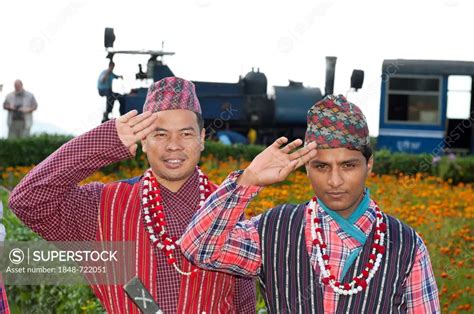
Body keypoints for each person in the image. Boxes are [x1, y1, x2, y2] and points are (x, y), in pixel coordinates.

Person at [9, 77, 255, 313]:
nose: (173, 145)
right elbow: (27, 200)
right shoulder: (102, 207)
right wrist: (105, 141)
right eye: (160, 134)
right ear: (144, 140)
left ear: (202, 139)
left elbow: (243, 299)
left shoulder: (226, 205)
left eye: (186, 133)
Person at [182, 94, 440, 313]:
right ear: (306, 167)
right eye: (321, 166)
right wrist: (248, 180)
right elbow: (199, 248)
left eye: (348, 165)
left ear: (368, 164)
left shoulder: (406, 246)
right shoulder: (274, 230)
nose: (335, 180)